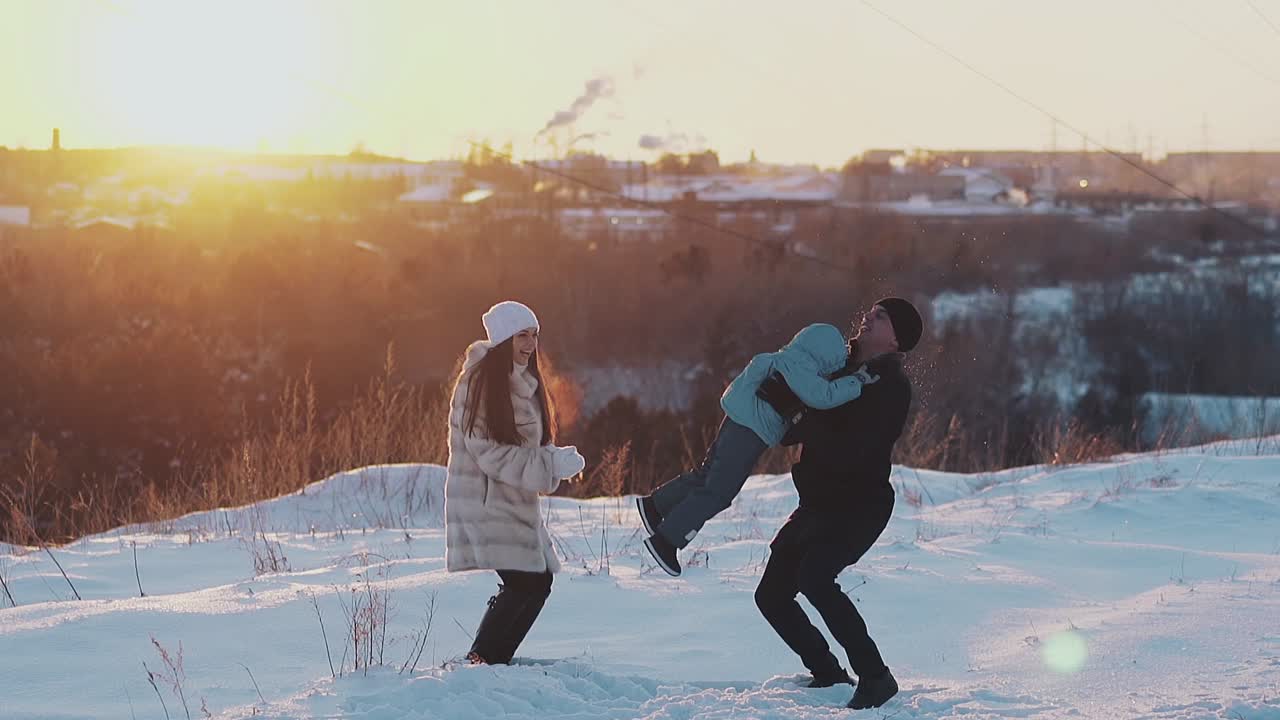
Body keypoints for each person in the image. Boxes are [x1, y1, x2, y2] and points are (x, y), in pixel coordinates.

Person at [752, 297, 922, 710]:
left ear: (896, 340)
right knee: (771, 595)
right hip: (817, 503)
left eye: (881, 316)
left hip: (859, 506)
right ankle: (827, 672)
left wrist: (797, 411)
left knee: (815, 577)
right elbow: (793, 434)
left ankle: (877, 678)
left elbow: (851, 447)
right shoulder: (834, 368)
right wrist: (780, 400)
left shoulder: (891, 388)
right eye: (871, 310)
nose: (869, 316)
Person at [636, 323, 880, 577]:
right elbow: (824, 396)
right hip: (750, 431)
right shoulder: (801, 371)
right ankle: (667, 540)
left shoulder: (784, 358)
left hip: (737, 419)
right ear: (824, 356)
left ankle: (655, 506)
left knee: (707, 475)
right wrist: (857, 381)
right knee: (719, 492)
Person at [444, 300, 586, 665]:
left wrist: (556, 457)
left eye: (535, 335)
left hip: (514, 502)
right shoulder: (477, 383)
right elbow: (487, 452)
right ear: (503, 338)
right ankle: (480, 661)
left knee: (539, 581)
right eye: (522, 335)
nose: (531, 344)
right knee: (525, 581)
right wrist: (548, 463)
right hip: (484, 501)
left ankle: (495, 661)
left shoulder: (525, 381)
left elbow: (529, 446)